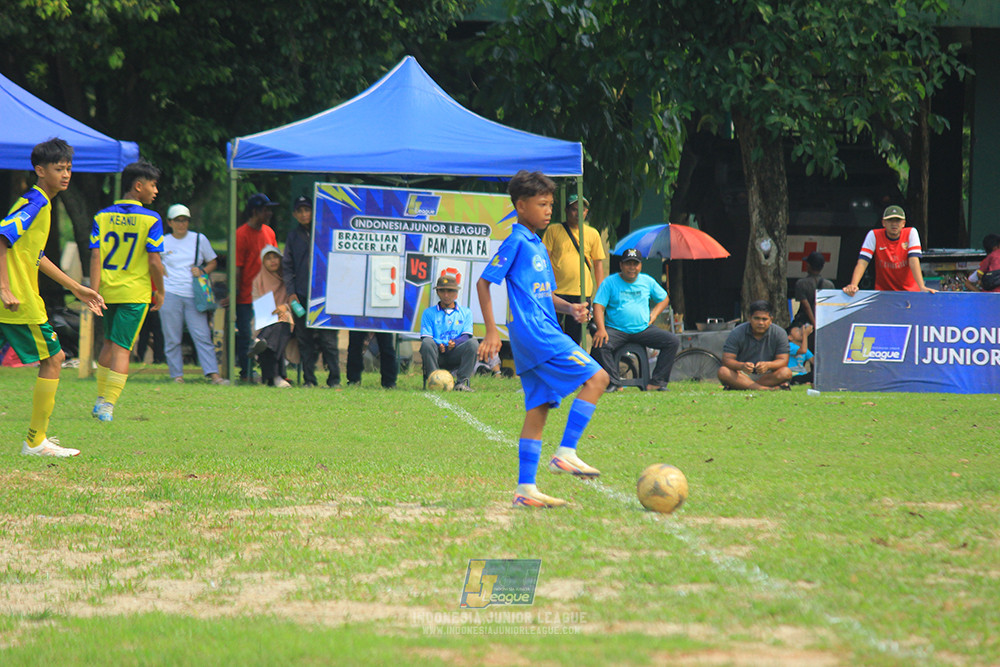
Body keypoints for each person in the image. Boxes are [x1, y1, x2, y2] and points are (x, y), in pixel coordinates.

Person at [477, 170, 610, 509]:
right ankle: (565, 452)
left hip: (540, 328)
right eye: (542, 204)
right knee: (598, 377)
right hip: (536, 332)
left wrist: (571, 308)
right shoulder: (517, 241)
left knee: (538, 408)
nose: (549, 210)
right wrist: (492, 330)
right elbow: (484, 282)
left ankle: (525, 489)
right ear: (521, 206)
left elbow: (546, 293)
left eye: (551, 204)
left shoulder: (537, 243)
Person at [1, 138, 105, 456]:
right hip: (18, 299)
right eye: (59, 169)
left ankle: (36, 440)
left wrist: (75, 287)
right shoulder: (35, 203)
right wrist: (4, 287)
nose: (66, 174)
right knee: (55, 359)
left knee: (53, 358)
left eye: (69, 168)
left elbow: (36, 255)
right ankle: (35, 441)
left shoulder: (41, 203)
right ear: (39, 170)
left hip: (17, 296)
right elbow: (2, 238)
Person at [89, 160, 165, 422]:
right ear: (138, 186)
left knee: (109, 343)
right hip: (135, 293)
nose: (156, 191)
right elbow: (154, 261)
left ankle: (100, 399)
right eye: (153, 185)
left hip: (108, 291)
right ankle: (108, 406)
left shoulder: (102, 216)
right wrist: (161, 291)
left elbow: (96, 257)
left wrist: (94, 291)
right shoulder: (151, 219)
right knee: (123, 348)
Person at [591, 248, 680, 392]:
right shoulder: (610, 282)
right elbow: (598, 307)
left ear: (640, 266)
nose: (632, 267)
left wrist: (654, 314)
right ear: (621, 265)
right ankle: (614, 382)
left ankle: (657, 382)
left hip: (643, 329)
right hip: (616, 329)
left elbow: (664, 298)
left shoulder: (647, 281)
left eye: (635, 264)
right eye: (628, 264)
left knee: (672, 341)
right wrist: (601, 329)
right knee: (599, 344)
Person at [160, 204, 226, 384]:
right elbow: (154, 263)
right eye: (177, 220)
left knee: (202, 334)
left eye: (184, 220)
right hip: (170, 292)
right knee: (172, 337)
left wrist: (203, 271)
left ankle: (213, 374)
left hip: (194, 294)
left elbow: (212, 261)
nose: (181, 224)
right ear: (170, 222)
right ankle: (177, 375)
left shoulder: (199, 239)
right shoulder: (162, 241)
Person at [282, 195, 340, 388]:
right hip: (301, 295)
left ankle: (334, 380)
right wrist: (291, 293)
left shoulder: (325, 232)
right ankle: (309, 380)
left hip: (326, 295)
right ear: (294, 214)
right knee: (304, 340)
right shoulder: (292, 237)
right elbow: (287, 267)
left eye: (307, 209)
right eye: (300, 210)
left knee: (329, 341)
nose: (304, 214)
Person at [542, 193, 605, 344]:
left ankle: (570, 367)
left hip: (581, 293)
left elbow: (598, 265)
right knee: (552, 335)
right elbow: (545, 259)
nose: (578, 213)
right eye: (574, 209)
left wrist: (602, 293)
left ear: (586, 213)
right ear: (567, 210)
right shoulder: (554, 230)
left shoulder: (592, 233)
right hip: (556, 293)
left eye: (582, 210)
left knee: (574, 339)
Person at [843, 205, 934, 296]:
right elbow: (862, 262)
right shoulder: (873, 235)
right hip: (883, 293)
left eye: (898, 221)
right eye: (890, 220)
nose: (894, 224)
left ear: (903, 223)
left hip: (910, 292)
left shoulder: (911, 233)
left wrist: (922, 286)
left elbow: (913, 261)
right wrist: (853, 285)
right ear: (883, 223)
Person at [235, 192, 278, 382]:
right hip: (246, 295)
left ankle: (269, 373)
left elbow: (276, 262)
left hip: (267, 294)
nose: (268, 213)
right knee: (245, 335)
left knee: (267, 337)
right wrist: (235, 293)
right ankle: (246, 372)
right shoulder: (241, 234)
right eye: (265, 210)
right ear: (255, 211)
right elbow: (237, 267)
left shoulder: (269, 232)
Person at [717, 299, 793, 391]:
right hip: (742, 374)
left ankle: (742, 386)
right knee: (723, 371)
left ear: (771, 320)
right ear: (749, 318)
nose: (760, 323)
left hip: (768, 375)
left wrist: (768, 365)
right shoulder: (737, 332)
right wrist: (742, 366)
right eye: (756, 318)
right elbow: (727, 360)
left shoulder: (780, 333)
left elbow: (783, 360)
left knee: (786, 372)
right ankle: (764, 389)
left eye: (764, 319)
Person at [420, 274, 479, 391]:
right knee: (427, 343)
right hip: (437, 353)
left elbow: (466, 335)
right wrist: (439, 345)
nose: (446, 295)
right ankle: (435, 381)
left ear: (456, 293)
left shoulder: (466, 312)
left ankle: (462, 383)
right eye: (442, 291)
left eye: (450, 291)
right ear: (437, 292)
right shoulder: (428, 313)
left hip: (455, 352)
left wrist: (454, 343)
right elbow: (426, 337)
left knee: (473, 343)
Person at [251, 245, 294, 388]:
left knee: (277, 328)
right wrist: (270, 311)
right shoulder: (258, 280)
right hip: (265, 319)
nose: (272, 261)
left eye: (275, 257)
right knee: (274, 333)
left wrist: (285, 307)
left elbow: (293, 299)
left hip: (287, 317)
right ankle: (277, 376)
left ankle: (260, 341)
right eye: (268, 258)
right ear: (263, 262)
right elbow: (257, 304)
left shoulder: (287, 278)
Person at [791, 251, 834, 328]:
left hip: (805, 324)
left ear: (808, 265)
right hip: (822, 322)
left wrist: (814, 324)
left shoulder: (801, 283)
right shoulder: (830, 285)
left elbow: (806, 306)